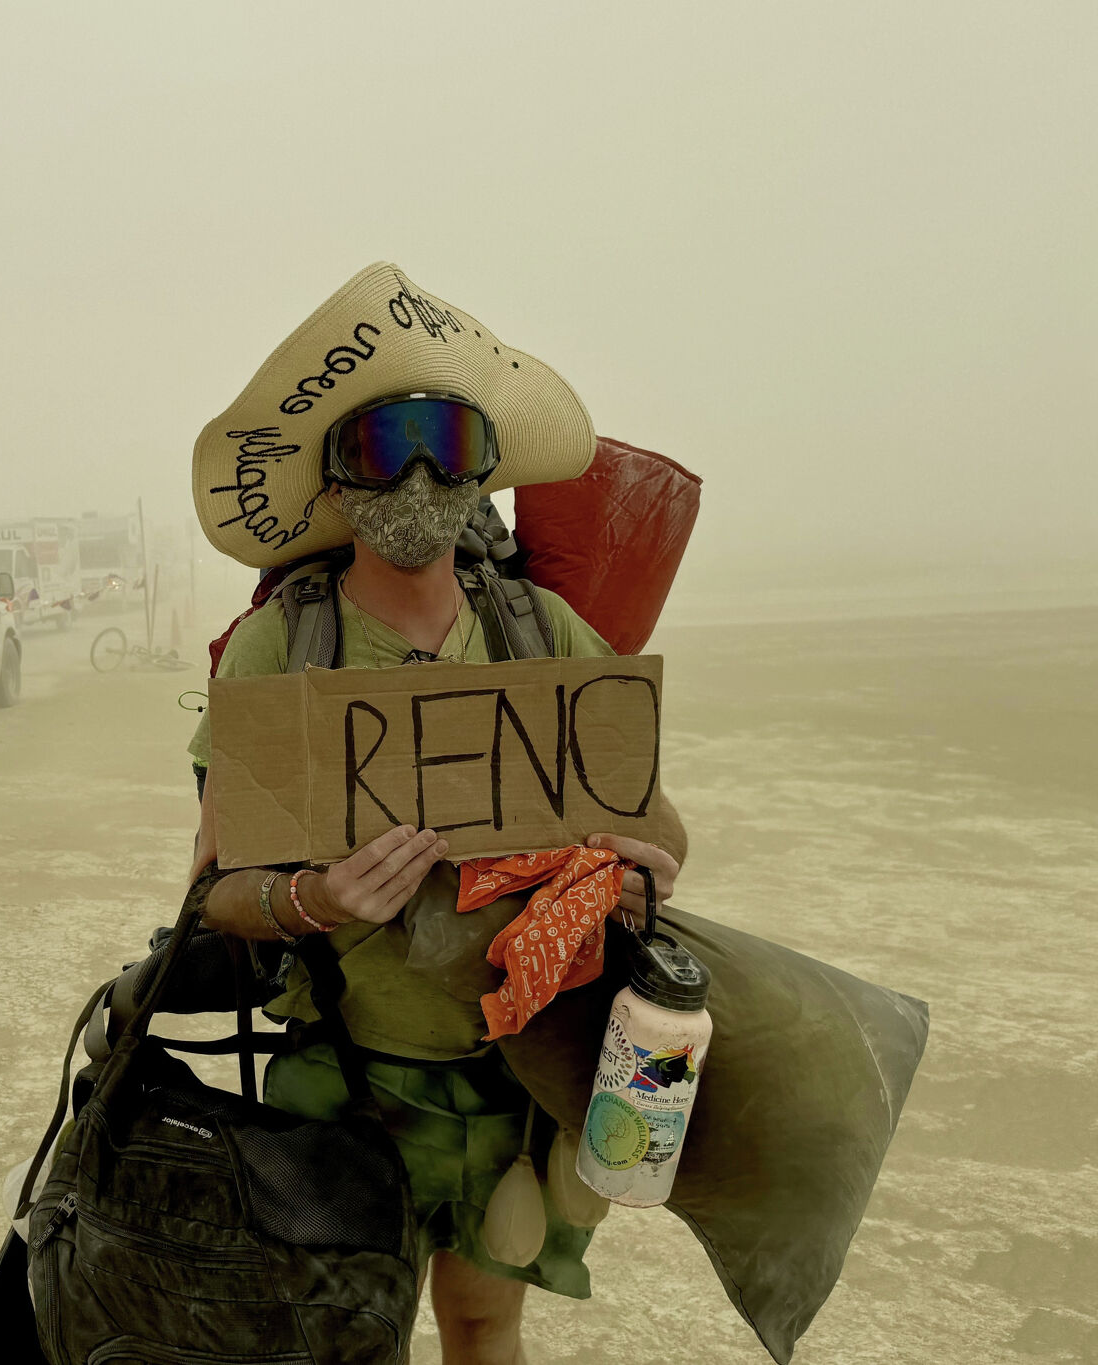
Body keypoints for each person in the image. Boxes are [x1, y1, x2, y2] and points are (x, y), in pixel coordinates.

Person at [185, 263, 685, 1365]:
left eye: (447, 445)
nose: (416, 477)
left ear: (486, 476)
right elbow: (210, 895)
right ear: (336, 482)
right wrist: (307, 898)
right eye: (380, 448)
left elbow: (657, 825)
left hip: (512, 1077)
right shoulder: (285, 646)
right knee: (345, 1337)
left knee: (481, 1322)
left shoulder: (536, 629)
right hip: (348, 1069)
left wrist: (637, 871)